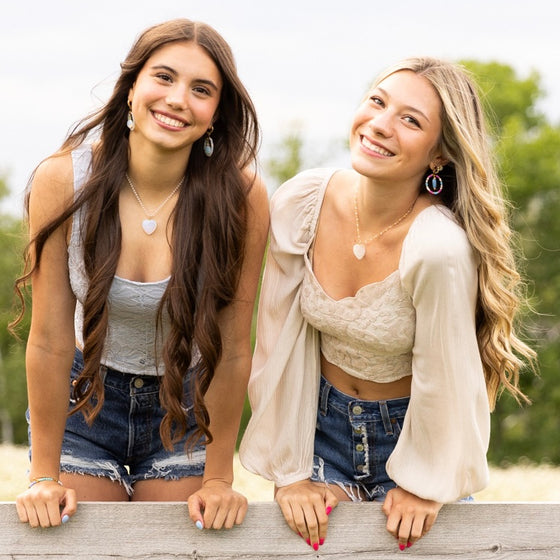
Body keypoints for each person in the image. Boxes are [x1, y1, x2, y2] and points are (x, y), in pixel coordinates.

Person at [239, 57, 535, 552]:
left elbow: (449, 373)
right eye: (377, 102)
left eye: (410, 120)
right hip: (320, 434)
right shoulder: (301, 203)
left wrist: (426, 483)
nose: (380, 124)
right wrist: (290, 471)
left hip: (415, 438)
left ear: (438, 155)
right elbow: (278, 342)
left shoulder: (438, 247)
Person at [13, 19, 269, 530]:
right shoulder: (63, 179)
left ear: (216, 114)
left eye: (201, 90)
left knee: (178, 540)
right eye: (164, 78)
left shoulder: (241, 199)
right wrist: (43, 474)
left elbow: (234, 345)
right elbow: (49, 339)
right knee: (77, 536)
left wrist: (219, 478)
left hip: (186, 402)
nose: (178, 99)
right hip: (85, 399)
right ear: (131, 88)